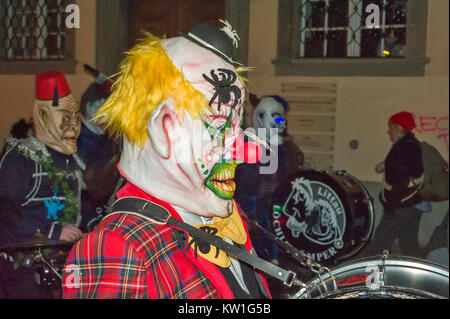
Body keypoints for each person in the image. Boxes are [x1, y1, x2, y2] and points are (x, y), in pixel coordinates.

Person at [62, 21, 272, 299]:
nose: (243, 152)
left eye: (237, 128)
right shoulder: (118, 246)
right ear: (164, 129)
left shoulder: (228, 217)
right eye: (221, 127)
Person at [0, 71, 84, 298]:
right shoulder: (20, 157)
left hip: (59, 268)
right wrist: (53, 231)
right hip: (22, 271)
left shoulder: (70, 157)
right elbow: (5, 209)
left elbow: (81, 201)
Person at [235, 94, 304, 264]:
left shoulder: (283, 147)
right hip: (257, 213)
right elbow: (247, 189)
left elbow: (288, 174)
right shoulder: (250, 148)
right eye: (275, 117)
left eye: (281, 118)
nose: (281, 123)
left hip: (276, 207)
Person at [370, 111, 427, 258]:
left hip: (402, 205)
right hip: (413, 204)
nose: (388, 132)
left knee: (380, 244)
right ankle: (418, 279)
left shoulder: (402, 148)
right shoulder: (411, 144)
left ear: (398, 128)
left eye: (390, 128)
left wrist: (390, 206)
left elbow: (400, 180)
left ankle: (373, 278)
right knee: (410, 247)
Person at [77, 69, 120, 232]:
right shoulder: (77, 138)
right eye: (105, 103)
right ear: (90, 106)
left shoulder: (110, 137)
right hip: (86, 218)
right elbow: (88, 186)